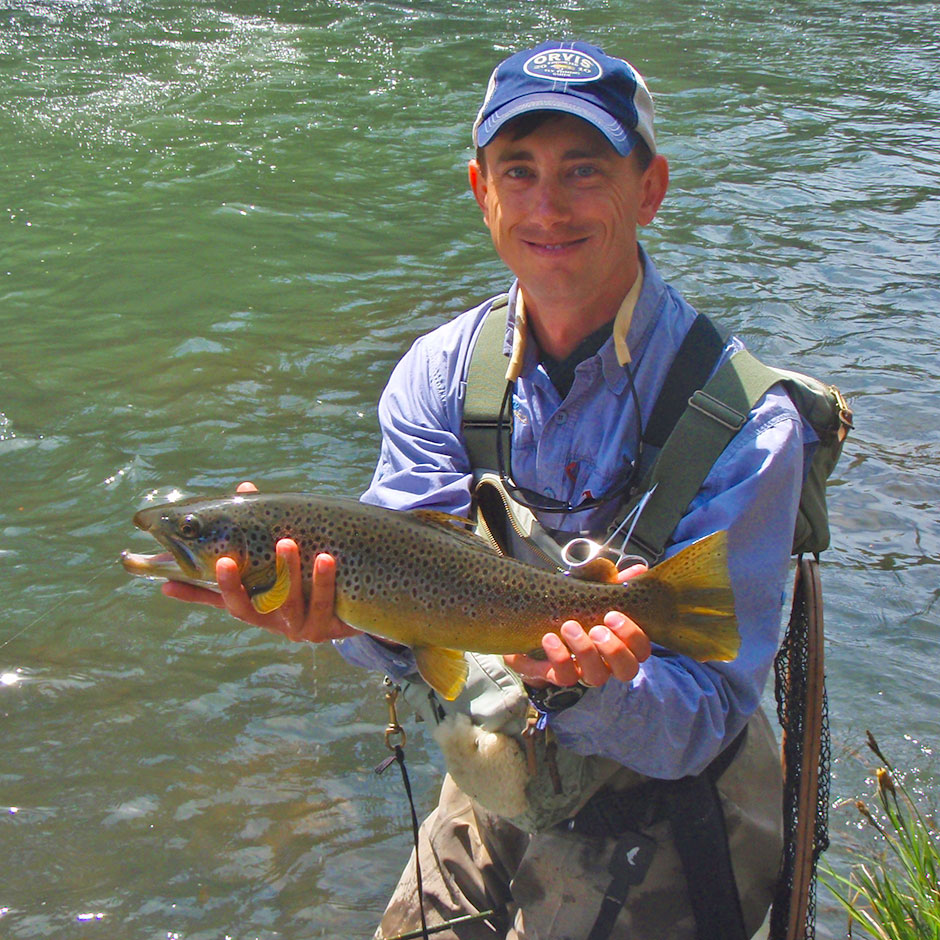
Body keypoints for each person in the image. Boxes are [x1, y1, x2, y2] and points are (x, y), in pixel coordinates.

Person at [165, 40, 811, 940]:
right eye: (520, 171)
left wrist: (592, 685)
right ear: (481, 191)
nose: (547, 206)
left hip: (673, 802)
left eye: (584, 171)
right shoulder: (437, 377)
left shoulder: (745, 419)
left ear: (650, 189)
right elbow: (414, 604)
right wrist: (341, 622)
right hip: (496, 762)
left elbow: (702, 719)